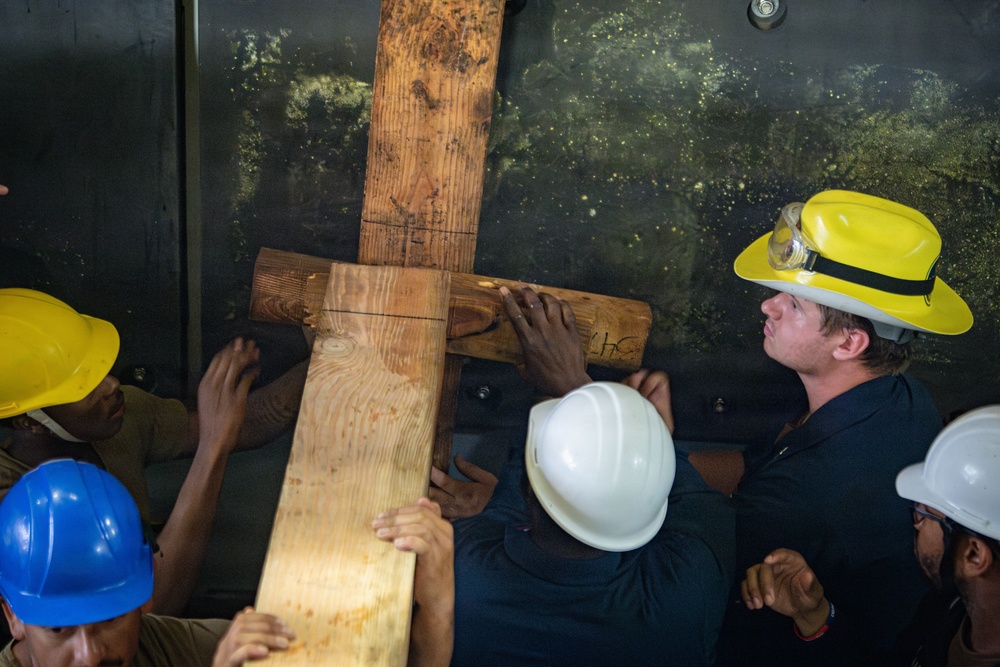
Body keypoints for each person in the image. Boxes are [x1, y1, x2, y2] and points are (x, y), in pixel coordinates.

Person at [438, 190, 973, 665]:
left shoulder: (809, 502)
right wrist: (625, 453)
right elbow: (750, 466)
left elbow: (660, 552)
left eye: (791, 303)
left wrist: (548, 477)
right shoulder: (898, 398)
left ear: (850, 342)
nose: (768, 305)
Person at [0, 287, 309, 615]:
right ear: (28, 422)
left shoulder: (115, 420)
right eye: (84, 386)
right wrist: (213, 448)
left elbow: (250, 422)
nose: (112, 386)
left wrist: (324, 352)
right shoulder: (17, 512)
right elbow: (151, 608)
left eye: (100, 368)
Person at [0, 459, 455, 667]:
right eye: (58, 629)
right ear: (13, 619)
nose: (90, 655)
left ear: (145, 597)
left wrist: (436, 606)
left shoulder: (166, 649)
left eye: (109, 619)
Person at [450, 381, 734, 666]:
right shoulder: (687, 595)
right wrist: (643, 434)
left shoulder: (463, 568)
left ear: (527, 490)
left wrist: (557, 388)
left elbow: (509, 504)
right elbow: (699, 504)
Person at [740, 404, 1000, 666]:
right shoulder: (950, 608)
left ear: (974, 554)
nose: (917, 525)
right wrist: (814, 613)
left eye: (923, 514)